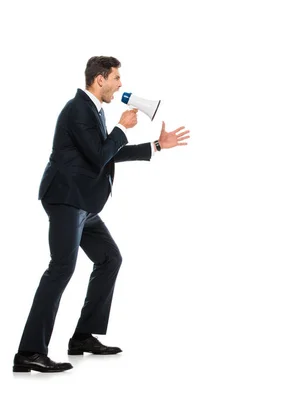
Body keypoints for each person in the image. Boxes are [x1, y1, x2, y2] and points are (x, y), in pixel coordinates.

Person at [13, 56, 190, 373]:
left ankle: (82, 337)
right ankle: (29, 352)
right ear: (99, 79)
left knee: (109, 258)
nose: (120, 84)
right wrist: (122, 126)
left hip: (83, 203)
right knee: (61, 268)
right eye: (117, 78)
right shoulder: (78, 108)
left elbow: (109, 151)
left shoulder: (93, 110)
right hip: (66, 199)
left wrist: (157, 146)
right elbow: (99, 156)